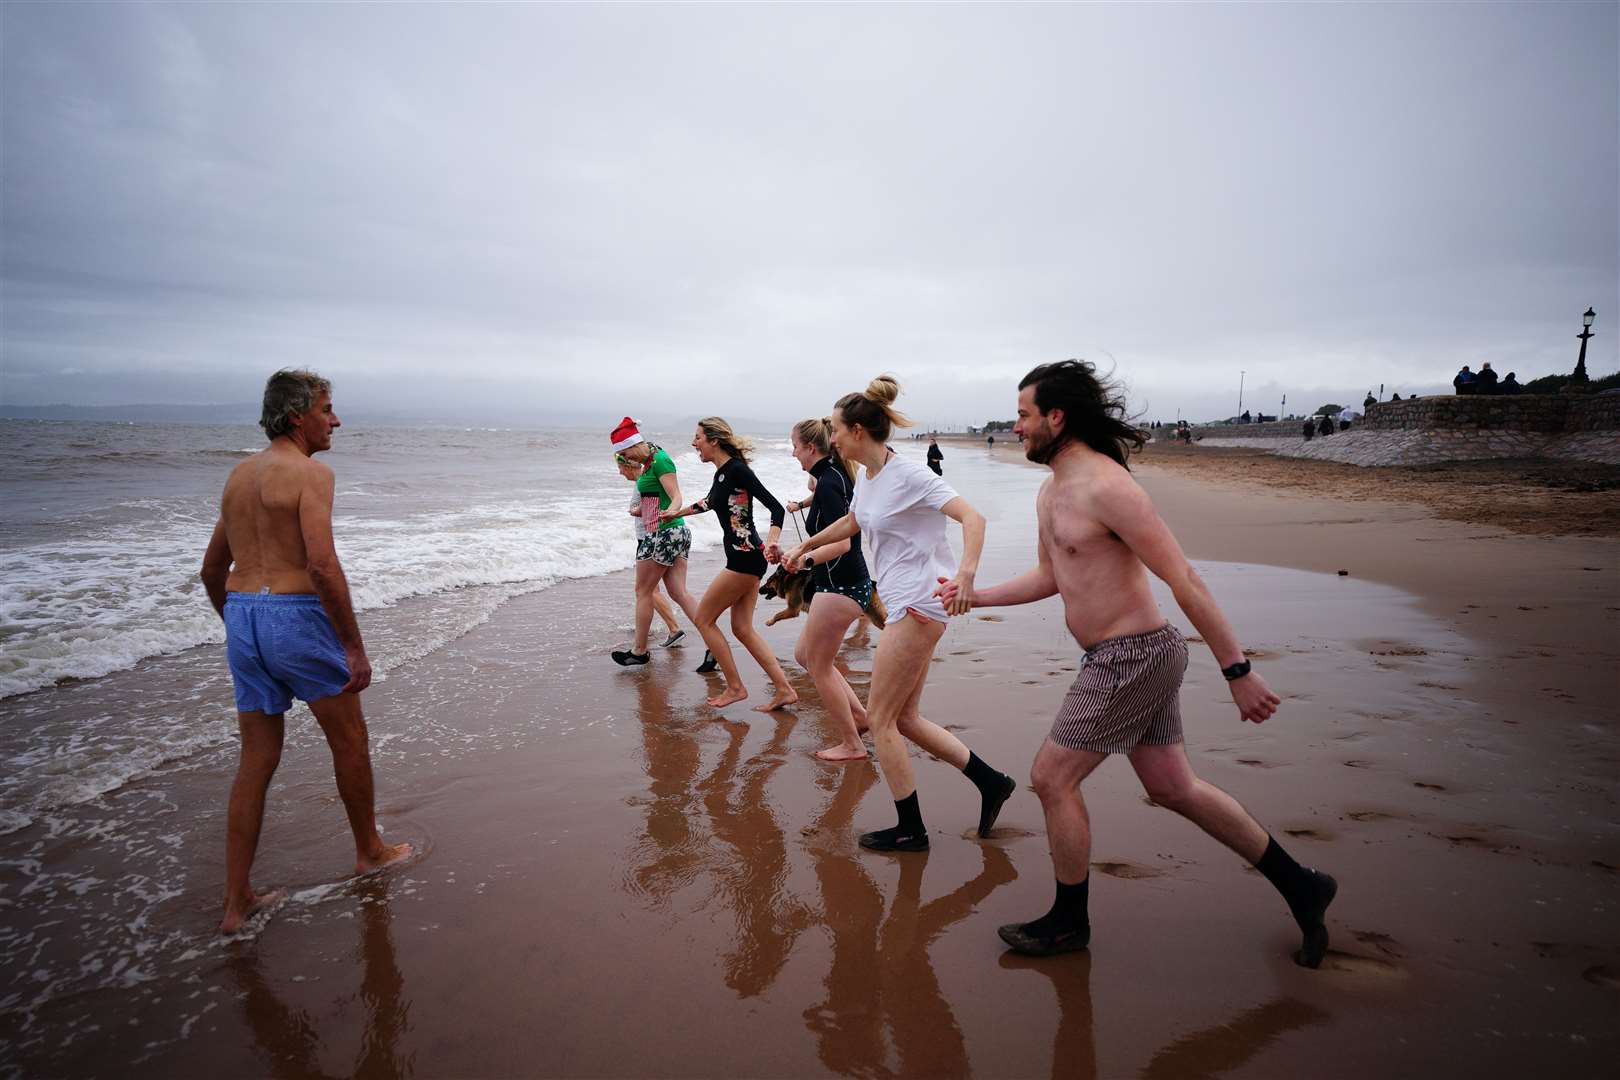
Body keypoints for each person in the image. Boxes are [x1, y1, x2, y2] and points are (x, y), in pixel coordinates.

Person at [941, 360, 1337, 966]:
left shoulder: (1109, 488)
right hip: (1117, 657)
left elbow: (1184, 579)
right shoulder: (1052, 493)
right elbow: (1052, 576)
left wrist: (1238, 670)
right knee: (1173, 787)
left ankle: (1070, 922)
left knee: (1053, 778)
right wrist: (975, 595)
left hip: (1134, 656)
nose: (1016, 427)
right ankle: (1302, 885)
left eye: (1023, 415)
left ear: (1056, 416)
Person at [200, 369, 412, 934]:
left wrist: (243, 627)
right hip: (294, 616)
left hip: (244, 616)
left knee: (255, 760)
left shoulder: (239, 476)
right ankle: (369, 850)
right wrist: (353, 646)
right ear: (298, 416)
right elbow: (321, 565)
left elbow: (212, 569)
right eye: (327, 409)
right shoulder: (309, 475)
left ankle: (235, 901)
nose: (335, 419)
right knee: (350, 738)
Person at [784, 376, 1016, 852]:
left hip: (919, 602)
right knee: (906, 718)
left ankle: (911, 829)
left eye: (835, 428)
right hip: (909, 603)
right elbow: (855, 521)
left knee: (880, 719)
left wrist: (966, 575)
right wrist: (805, 545)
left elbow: (973, 518)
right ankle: (992, 782)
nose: (831, 437)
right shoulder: (870, 477)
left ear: (857, 432)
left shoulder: (911, 475)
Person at [659, 417, 798, 711]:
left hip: (745, 559)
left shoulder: (737, 470)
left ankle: (735, 687)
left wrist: (772, 541)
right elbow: (709, 502)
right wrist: (676, 513)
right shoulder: (723, 473)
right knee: (742, 629)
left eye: (697, 437)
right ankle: (785, 689)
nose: (694, 443)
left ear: (713, 440)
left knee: (704, 619)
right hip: (745, 558)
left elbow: (775, 508)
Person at [775, 417, 878, 760]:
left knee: (819, 666)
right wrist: (795, 553)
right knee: (807, 656)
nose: (792, 453)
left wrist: (803, 559)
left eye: (795, 446)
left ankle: (852, 743)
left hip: (843, 585)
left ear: (810, 447)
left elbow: (844, 543)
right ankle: (861, 719)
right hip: (834, 583)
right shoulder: (827, 479)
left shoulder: (831, 482)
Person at [609, 418, 703, 667]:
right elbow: (658, 498)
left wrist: (672, 510)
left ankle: (639, 651)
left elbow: (676, 496)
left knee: (644, 591)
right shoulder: (651, 461)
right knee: (678, 593)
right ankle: (714, 643)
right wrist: (645, 510)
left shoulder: (660, 460)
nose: (625, 459)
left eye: (624, 453)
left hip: (664, 533)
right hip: (671, 533)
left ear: (633, 446)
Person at [617, 454, 685, 649]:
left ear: (629, 466)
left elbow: (653, 509)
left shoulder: (643, 483)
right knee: (662, 590)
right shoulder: (644, 482)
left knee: (647, 589)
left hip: (651, 537)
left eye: (621, 468)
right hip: (657, 536)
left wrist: (636, 510)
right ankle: (663, 626)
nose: (620, 472)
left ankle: (673, 628)